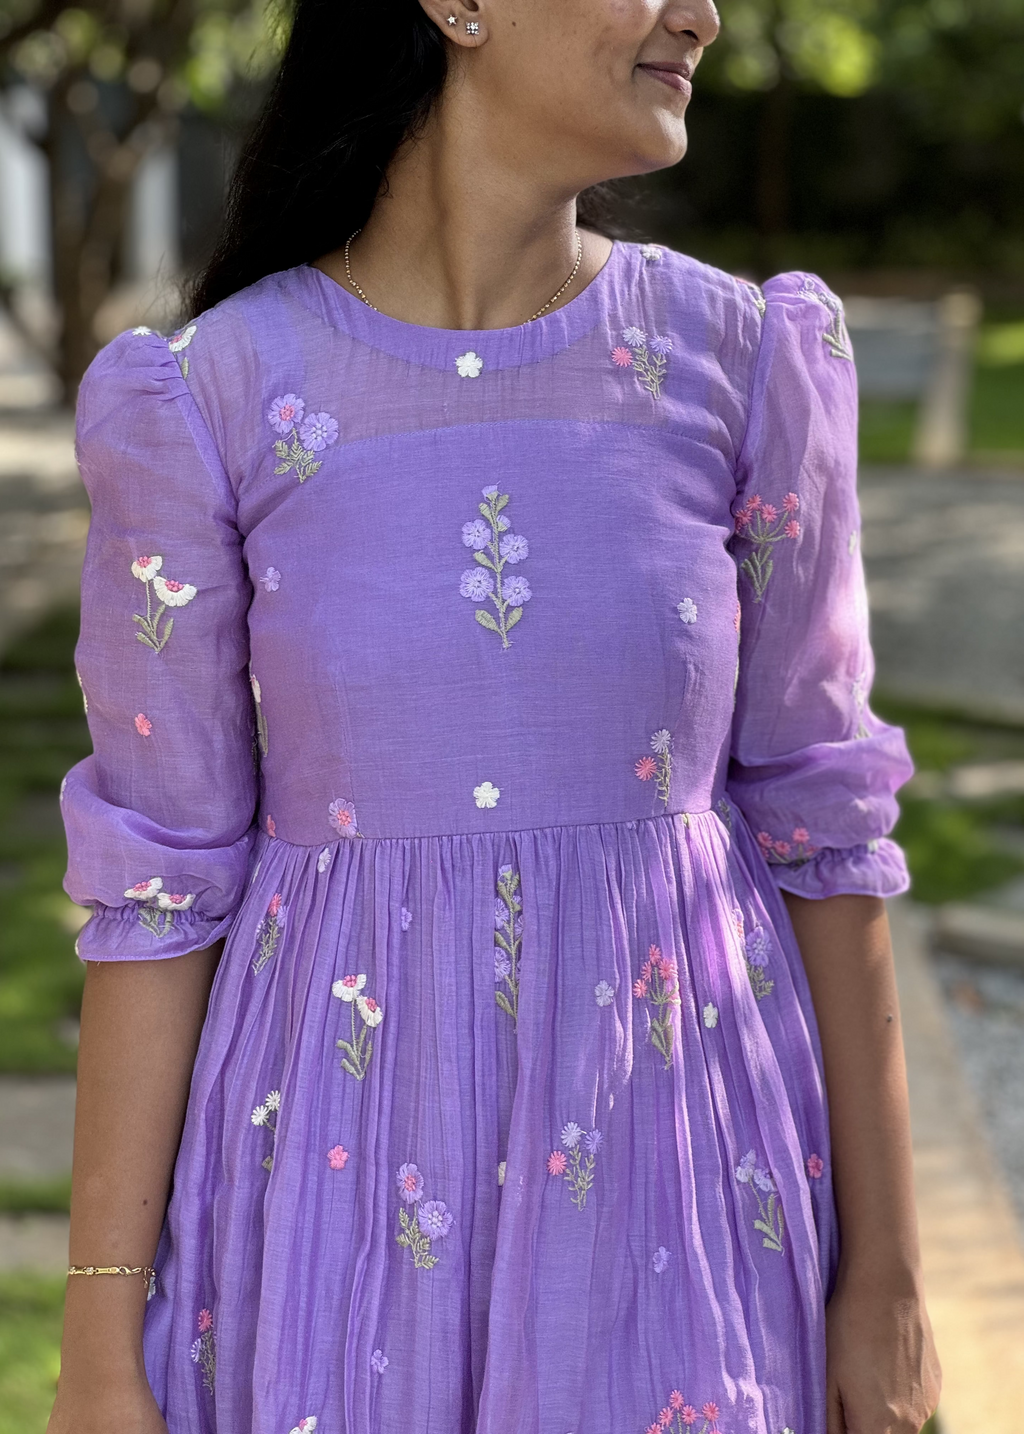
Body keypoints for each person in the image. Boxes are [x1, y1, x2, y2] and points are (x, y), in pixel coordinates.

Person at [49, 2, 942, 1432]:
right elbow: (158, 890)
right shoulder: (213, 398)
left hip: (682, 1195)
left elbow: (825, 830)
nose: (702, 14)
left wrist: (887, 1276)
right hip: (331, 1208)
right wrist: (100, 1344)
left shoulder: (745, 361)